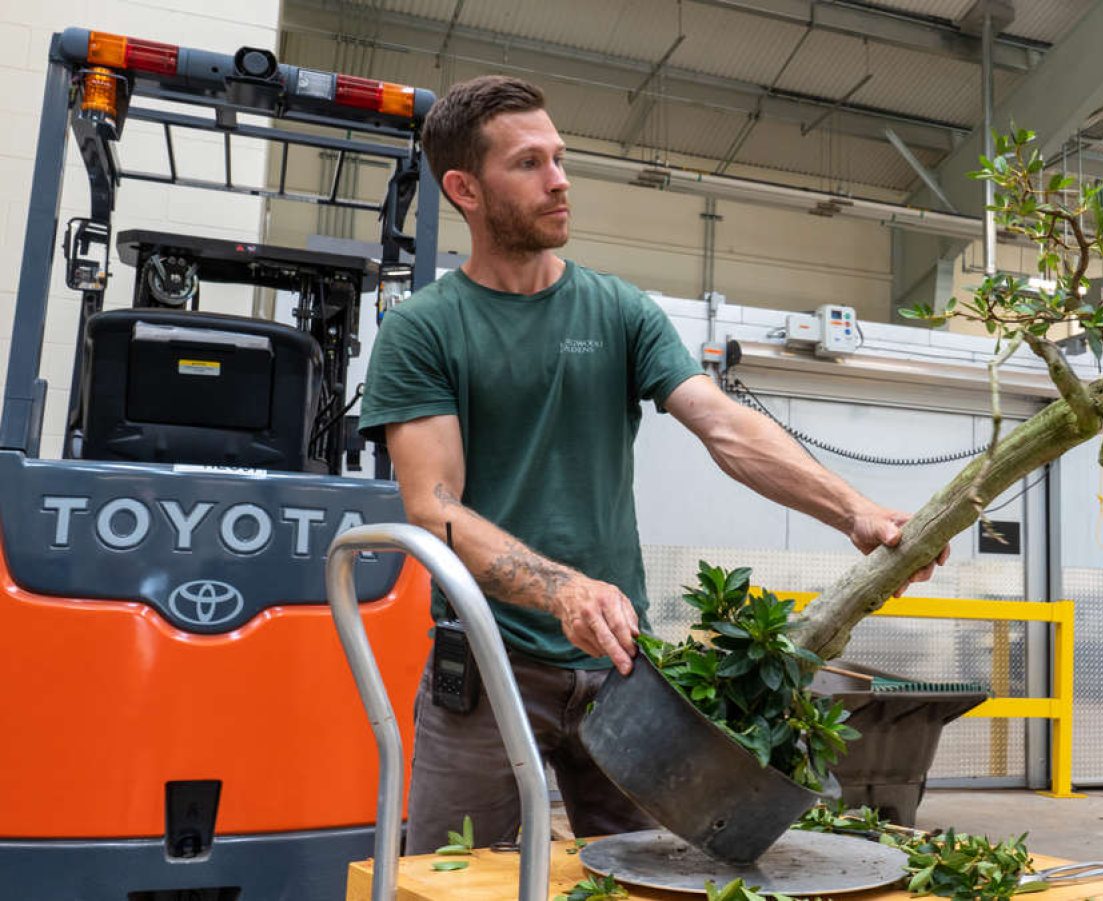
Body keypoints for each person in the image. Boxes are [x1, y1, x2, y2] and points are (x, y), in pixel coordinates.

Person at [358, 75, 948, 849]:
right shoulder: (425, 330)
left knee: (656, 871)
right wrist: (561, 586)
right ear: (464, 188)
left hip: (622, 669)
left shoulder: (619, 310)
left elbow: (726, 427)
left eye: (561, 158)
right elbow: (434, 506)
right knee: (454, 878)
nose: (561, 180)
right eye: (529, 163)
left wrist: (856, 511)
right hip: (489, 671)